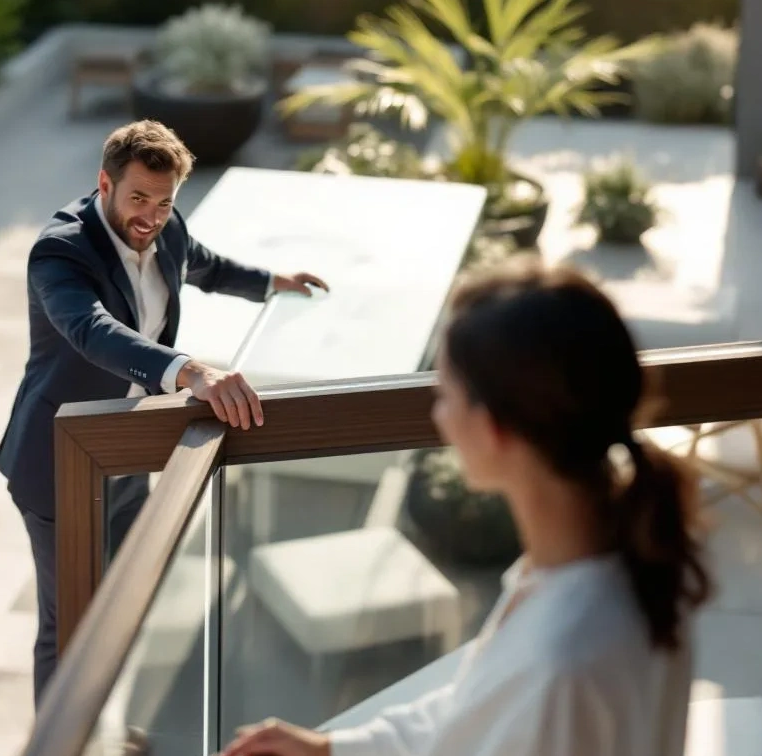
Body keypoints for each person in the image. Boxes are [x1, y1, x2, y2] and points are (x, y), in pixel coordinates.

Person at [221, 260, 713, 756]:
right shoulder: (605, 560)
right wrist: (333, 748)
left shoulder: (565, 659)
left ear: (495, 427)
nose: (437, 416)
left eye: (444, 394)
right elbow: (477, 709)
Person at [0, 119, 330, 707]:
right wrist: (191, 370)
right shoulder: (60, 251)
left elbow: (203, 264)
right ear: (105, 183)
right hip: (57, 462)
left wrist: (274, 281)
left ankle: (105, 727)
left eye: (164, 200)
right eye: (138, 198)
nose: (150, 215)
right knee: (68, 625)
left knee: (123, 603)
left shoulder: (167, 227)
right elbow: (91, 330)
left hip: (126, 452)